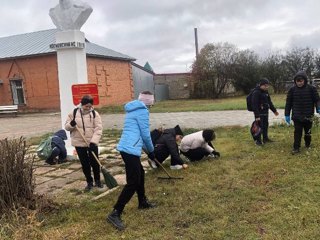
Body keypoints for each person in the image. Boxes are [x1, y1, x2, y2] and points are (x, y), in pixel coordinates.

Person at [107, 91, 156, 231]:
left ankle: (142, 202)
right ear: (148, 103)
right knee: (133, 182)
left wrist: (148, 150)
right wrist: (151, 151)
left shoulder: (133, 108)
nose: (150, 108)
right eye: (151, 105)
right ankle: (115, 212)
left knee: (140, 173)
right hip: (130, 149)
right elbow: (146, 134)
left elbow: (139, 133)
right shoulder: (143, 111)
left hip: (127, 147)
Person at [65, 95, 103, 190]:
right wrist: (71, 124)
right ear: (82, 104)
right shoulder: (73, 113)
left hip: (91, 143)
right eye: (86, 106)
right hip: (79, 143)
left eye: (90, 106)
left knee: (95, 162)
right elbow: (66, 127)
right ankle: (89, 182)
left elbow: (98, 129)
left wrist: (93, 142)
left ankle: (97, 180)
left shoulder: (95, 114)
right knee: (85, 163)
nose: (88, 108)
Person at [285, 70, 320, 154]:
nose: (299, 83)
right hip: (297, 116)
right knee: (297, 132)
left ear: (304, 80)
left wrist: (318, 107)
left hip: (308, 115)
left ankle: (308, 144)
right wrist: (287, 114)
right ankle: (296, 148)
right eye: (297, 81)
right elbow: (288, 103)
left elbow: (317, 100)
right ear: (295, 81)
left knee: (308, 132)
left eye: (301, 81)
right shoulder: (292, 90)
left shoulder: (312, 89)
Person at [251, 78, 279, 145]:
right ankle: (258, 141)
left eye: (267, 85)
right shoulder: (256, 92)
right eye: (265, 85)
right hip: (259, 114)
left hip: (265, 112)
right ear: (261, 85)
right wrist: (257, 116)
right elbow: (254, 105)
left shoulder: (266, 92)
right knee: (259, 127)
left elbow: (269, 102)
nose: (267, 87)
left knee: (265, 125)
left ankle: (265, 138)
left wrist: (274, 111)